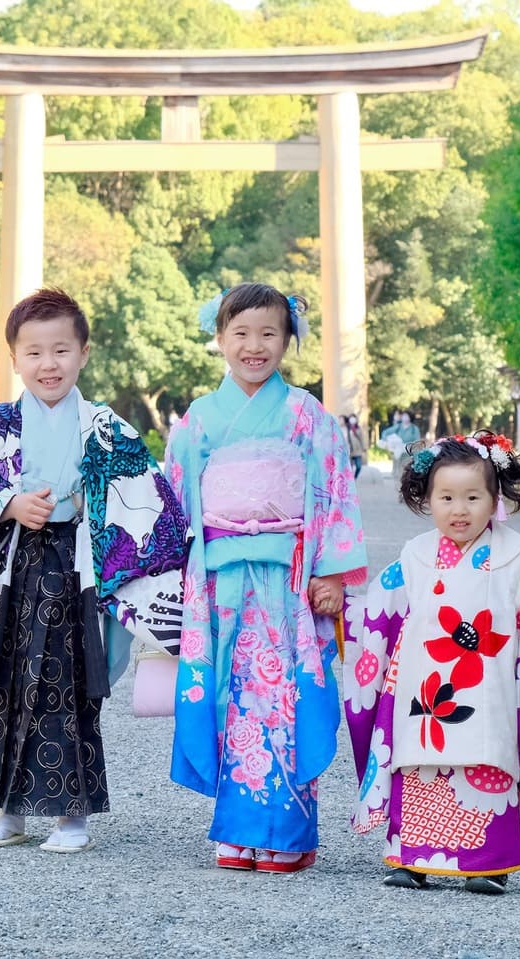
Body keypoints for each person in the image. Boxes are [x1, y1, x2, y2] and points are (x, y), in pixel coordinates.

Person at [0, 288, 188, 855]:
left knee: (69, 689)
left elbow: (148, 502)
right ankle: (7, 809)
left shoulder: (108, 429)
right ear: (14, 359)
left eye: (60, 350)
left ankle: (71, 815)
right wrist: (9, 506)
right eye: (33, 353)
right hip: (10, 572)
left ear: (83, 353)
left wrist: (92, 512)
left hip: (78, 575)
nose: (47, 364)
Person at [166, 282, 367, 874]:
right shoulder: (198, 420)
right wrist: (176, 574)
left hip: (290, 578)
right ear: (220, 338)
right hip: (217, 577)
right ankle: (235, 827)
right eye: (241, 333)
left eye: (269, 333)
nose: (255, 346)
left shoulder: (309, 415)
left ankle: (286, 830)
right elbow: (177, 503)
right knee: (228, 691)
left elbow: (334, 492)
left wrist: (331, 574)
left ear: (289, 339)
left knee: (285, 693)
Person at [342, 431, 520, 892]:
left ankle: (490, 862)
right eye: (447, 497)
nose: (459, 510)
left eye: (473, 497)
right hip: (424, 691)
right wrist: (341, 608)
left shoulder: (519, 558)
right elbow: (378, 612)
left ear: (495, 498)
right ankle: (412, 857)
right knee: (420, 765)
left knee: (488, 761)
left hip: (490, 687)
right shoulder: (413, 556)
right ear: (426, 500)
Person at [379, 411, 419, 477]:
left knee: (405, 473)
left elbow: (417, 443)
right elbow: (385, 432)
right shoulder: (398, 427)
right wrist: (386, 440)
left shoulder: (414, 429)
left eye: (406, 416)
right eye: (403, 415)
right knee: (397, 474)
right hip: (397, 453)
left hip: (408, 455)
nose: (404, 417)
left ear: (410, 417)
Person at [344, 414, 368, 479]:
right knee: (350, 467)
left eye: (353, 418)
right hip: (350, 450)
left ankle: (355, 477)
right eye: (351, 418)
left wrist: (364, 448)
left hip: (358, 450)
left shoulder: (358, 428)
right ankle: (350, 479)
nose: (352, 420)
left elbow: (362, 438)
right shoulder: (347, 428)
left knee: (359, 466)